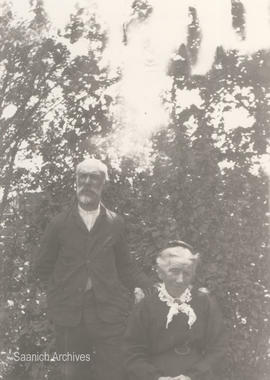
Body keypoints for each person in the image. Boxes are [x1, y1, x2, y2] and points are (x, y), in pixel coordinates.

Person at [34, 158, 153, 380]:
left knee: (113, 373)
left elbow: (126, 267)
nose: (87, 182)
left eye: (94, 177)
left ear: (104, 184)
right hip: (69, 317)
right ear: (76, 181)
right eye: (82, 177)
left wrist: (153, 289)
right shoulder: (58, 224)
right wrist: (59, 297)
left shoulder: (115, 222)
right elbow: (41, 267)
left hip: (108, 315)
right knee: (71, 375)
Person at [124, 240, 227, 380]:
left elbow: (218, 349)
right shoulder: (146, 306)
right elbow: (132, 352)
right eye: (174, 271)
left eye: (187, 273)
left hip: (198, 375)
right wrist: (156, 378)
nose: (180, 279)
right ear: (160, 273)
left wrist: (191, 376)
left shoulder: (205, 302)